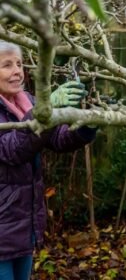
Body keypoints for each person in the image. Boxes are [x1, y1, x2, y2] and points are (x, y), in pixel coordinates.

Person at [0, 40, 96, 280]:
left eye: (19, 64)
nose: (17, 71)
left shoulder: (28, 103)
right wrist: (46, 107)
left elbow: (57, 139)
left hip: (22, 226)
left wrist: (87, 126)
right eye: (6, 65)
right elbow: (13, 150)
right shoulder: (35, 107)